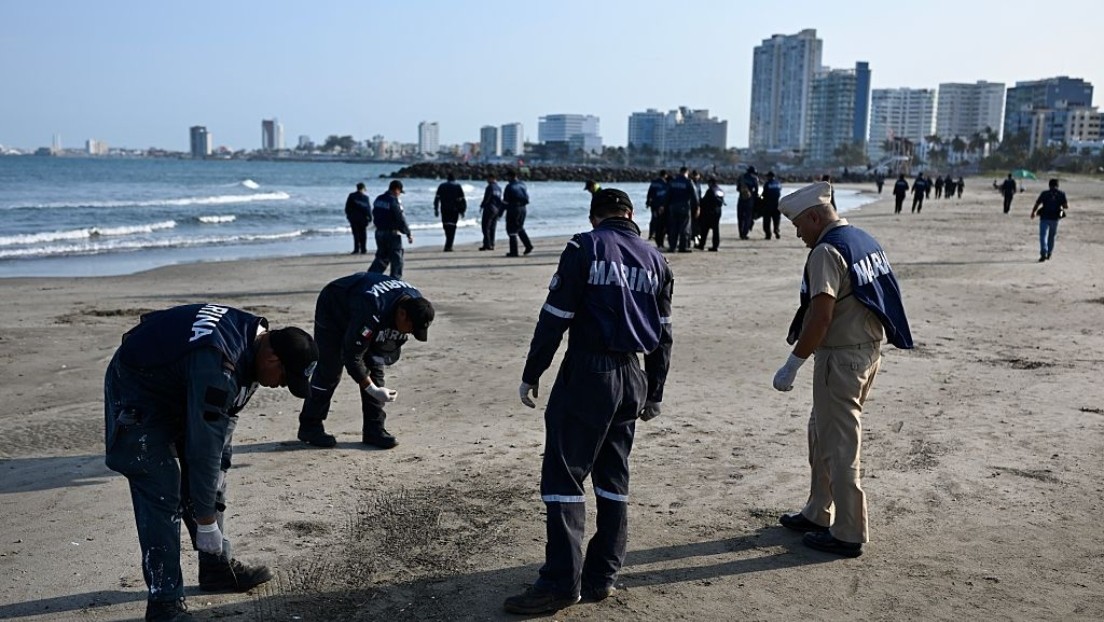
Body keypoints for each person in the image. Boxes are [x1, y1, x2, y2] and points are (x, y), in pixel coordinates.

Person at [504, 188, 674, 615]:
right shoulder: (657, 259)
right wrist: (655, 389)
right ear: (631, 215)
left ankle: (561, 584)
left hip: (588, 371)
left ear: (595, 216)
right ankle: (602, 576)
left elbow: (556, 316)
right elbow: (664, 332)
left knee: (563, 477)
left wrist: (532, 372)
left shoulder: (584, 246)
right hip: (632, 374)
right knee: (613, 478)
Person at [104, 304, 318, 622]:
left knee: (215, 469)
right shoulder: (221, 366)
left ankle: (216, 568)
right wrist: (205, 521)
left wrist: (211, 505)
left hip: (179, 380)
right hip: (137, 388)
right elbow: (203, 449)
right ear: (273, 358)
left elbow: (218, 438)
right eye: (284, 379)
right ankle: (164, 604)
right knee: (161, 488)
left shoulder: (253, 343)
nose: (279, 386)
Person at [772, 181, 913, 559]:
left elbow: (821, 315)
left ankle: (849, 531)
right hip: (867, 352)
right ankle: (819, 510)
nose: (799, 235)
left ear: (815, 217)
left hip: (841, 358)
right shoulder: (863, 239)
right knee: (821, 433)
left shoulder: (826, 251)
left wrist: (793, 364)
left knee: (840, 446)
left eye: (799, 226)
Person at [297, 272, 435, 449]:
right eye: (411, 328)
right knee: (330, 369)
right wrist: (372, 389)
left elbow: (379, 355)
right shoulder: (373, 309)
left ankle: (374, 430)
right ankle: (310, 426)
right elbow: (351, 356)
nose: (409, 333)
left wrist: (375, 385)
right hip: (335, 305)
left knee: (375, 366)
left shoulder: (416, 302)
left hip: (364, 305)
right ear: (402, 314)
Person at [369, 180, 414, 279]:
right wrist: (408, 233)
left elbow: (374, 213)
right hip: (391, 233)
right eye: (399, 192)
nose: (399, 195)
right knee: (397, 259)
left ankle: (371, 277)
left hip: (379, 232)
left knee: (381, 258)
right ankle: (395, 280)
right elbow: (400, 218)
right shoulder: (394, 201)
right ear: (396, 190)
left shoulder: (378, 199)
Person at [1030, 178, 1069, 262]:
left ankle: (1043, 252)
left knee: (1043, 236)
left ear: (1049, 185)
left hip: (1044, 217)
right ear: (1057, 185)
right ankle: (1049, 253)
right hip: (1055, 219)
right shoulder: (1061, 194)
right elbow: (1065, 206)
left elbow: (1037, 204)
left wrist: (1033, 212)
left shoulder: (1044, 193)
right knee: (1051, 236)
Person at [664, 167, 699, 252]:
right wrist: (697, 207)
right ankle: (683, 247)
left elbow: (667, 196)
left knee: (673, 228)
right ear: (686, 173)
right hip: (684, 208)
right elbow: (694, 196)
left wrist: (665, 207)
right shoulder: (688, 182)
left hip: (673, 208)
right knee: (684, 228)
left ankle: (672, 247)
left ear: (680, 172)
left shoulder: (672, 182)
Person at [503, 169, 534, 257]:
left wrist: (500, 212)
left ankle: (514, 251)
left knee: (511, 230)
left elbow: (505, 202)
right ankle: (528, 245)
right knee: (519, 227)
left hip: (513, 209)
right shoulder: (522, 185)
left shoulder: (509, 187)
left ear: (510, 176)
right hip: (523, 209)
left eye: (507, 177)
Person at [434, 172, 467, 252]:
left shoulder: (442, 186)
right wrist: (462, 211)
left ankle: (448, 244)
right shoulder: (457, 186)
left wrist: (436, 209)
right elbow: (462, 199)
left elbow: (437, 199)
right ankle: (449, 245)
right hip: (454, 210)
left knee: (446, 226)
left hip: (444, 209)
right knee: (452, 227)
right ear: (454, 179)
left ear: (447, 178)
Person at [696, 177, 726, 251]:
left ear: (711, 183)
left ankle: (701, 245)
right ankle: (715, 246)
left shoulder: (710, 191)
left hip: (709, 212)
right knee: (716, 230)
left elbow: (704, 202)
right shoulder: (720, 190)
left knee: (704, 229)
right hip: (718, 212)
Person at [345, 182, 372, 255]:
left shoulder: (351, 196)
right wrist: (370, 217)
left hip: (353, 218)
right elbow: (368, 209)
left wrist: (348, 216)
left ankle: (356, 249)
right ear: (363, 188)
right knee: (363, 234)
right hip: (363, 218)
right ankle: (363, 249)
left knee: (355, 234)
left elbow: (347, 207)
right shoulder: (365, 197)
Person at [480, 173, 504, 251]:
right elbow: (500, 200)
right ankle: (492, 243)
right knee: (492, 227)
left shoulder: (490, 187)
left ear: (492, 178)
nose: (487, 180)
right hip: (496, 209)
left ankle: (487, 244)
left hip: (489, 208)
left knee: (485, 227)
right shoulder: (499, 188)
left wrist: (482, 205)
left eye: (488, 178)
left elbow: (487, 198)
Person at [645, 170, 669, 248]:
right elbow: (666, 196)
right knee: (662, 225)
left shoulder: (654, 182)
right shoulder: (665, 184)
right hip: (661, 206)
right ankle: (660, 242)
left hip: (654, 205)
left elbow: (649, 193)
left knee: (654, 220)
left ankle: (651, 234)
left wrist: (648, 202)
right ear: (665, 175)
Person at [736, 166, 760, 239]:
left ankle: (740, 233)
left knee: (740, 217)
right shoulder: (755, 179)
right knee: (748, 217)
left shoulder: (741, 177)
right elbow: (756, 191)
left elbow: (737, 189)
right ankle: (744, 233)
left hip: (741, 199)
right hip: (750, 200)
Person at [760, 171, 782, 239]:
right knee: (776, 220)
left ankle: (768, 234)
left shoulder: (767, 184)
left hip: (768, 205)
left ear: (769, 177)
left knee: (767, 221)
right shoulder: (778, 183)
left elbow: (764, 194)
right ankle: (776, 231)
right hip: (777, 204)